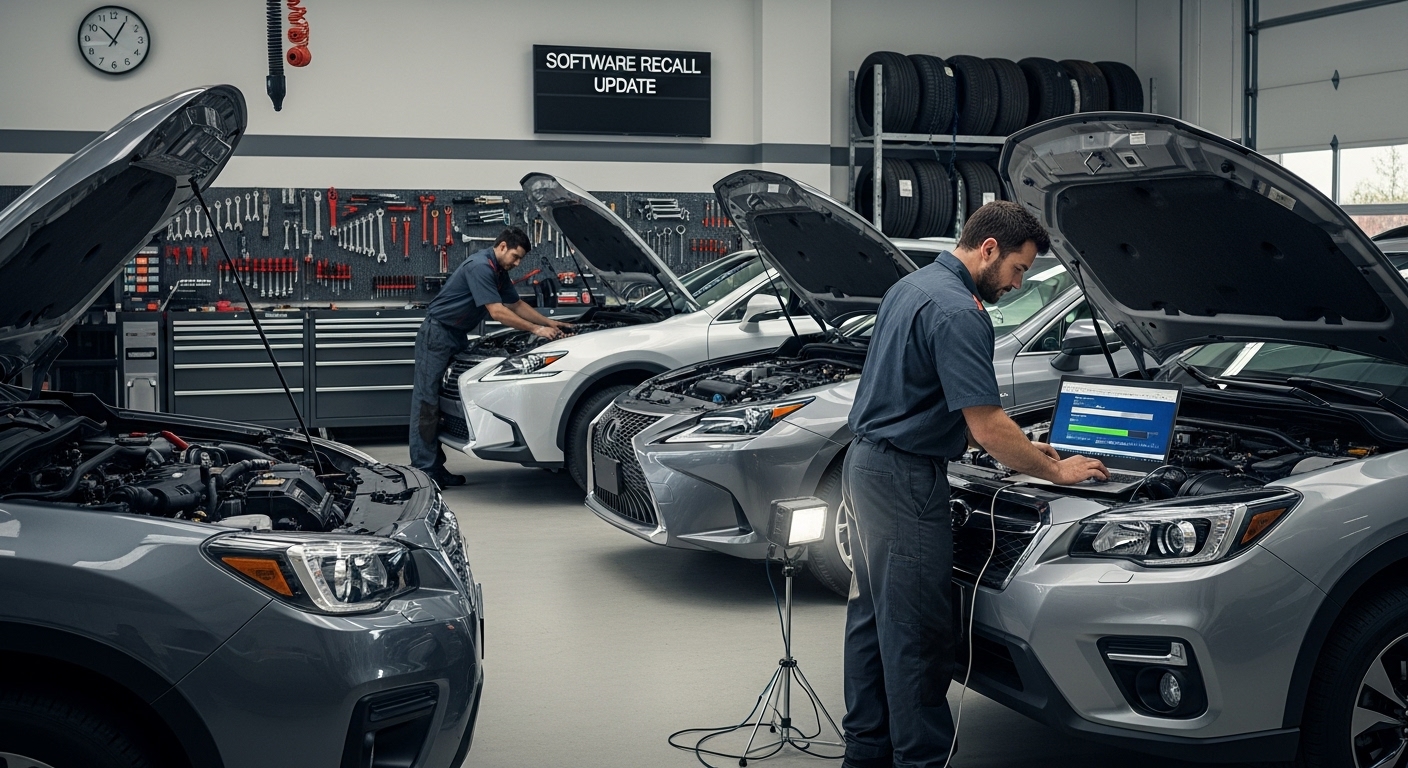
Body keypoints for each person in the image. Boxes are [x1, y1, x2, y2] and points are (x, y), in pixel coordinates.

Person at [840, 201, 1108, 768]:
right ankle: (922, 759)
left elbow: (921, 392)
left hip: (865, 466)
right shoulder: (961, 311)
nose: (1018, 283)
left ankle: (865, 751)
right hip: (905, 479)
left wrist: (1024, 449)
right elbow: (985, 425)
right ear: (989, 248)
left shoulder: (910, 288)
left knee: (874, 618)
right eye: (1019, 269)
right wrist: (1055, 470)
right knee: (916, 632)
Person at [409, 227, 572, 486]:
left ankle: (434, 468)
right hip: (437, 334)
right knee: (427, 402)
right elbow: (497, 312)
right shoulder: (480, 267)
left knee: (443, 403)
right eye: (516, 257)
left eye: (521, 260)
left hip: (457, 335)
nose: (517, 264)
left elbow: (516, 304)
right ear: (503, 246)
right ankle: (423, 472)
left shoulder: (498, 271)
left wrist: (550, 322)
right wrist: (536, 330)